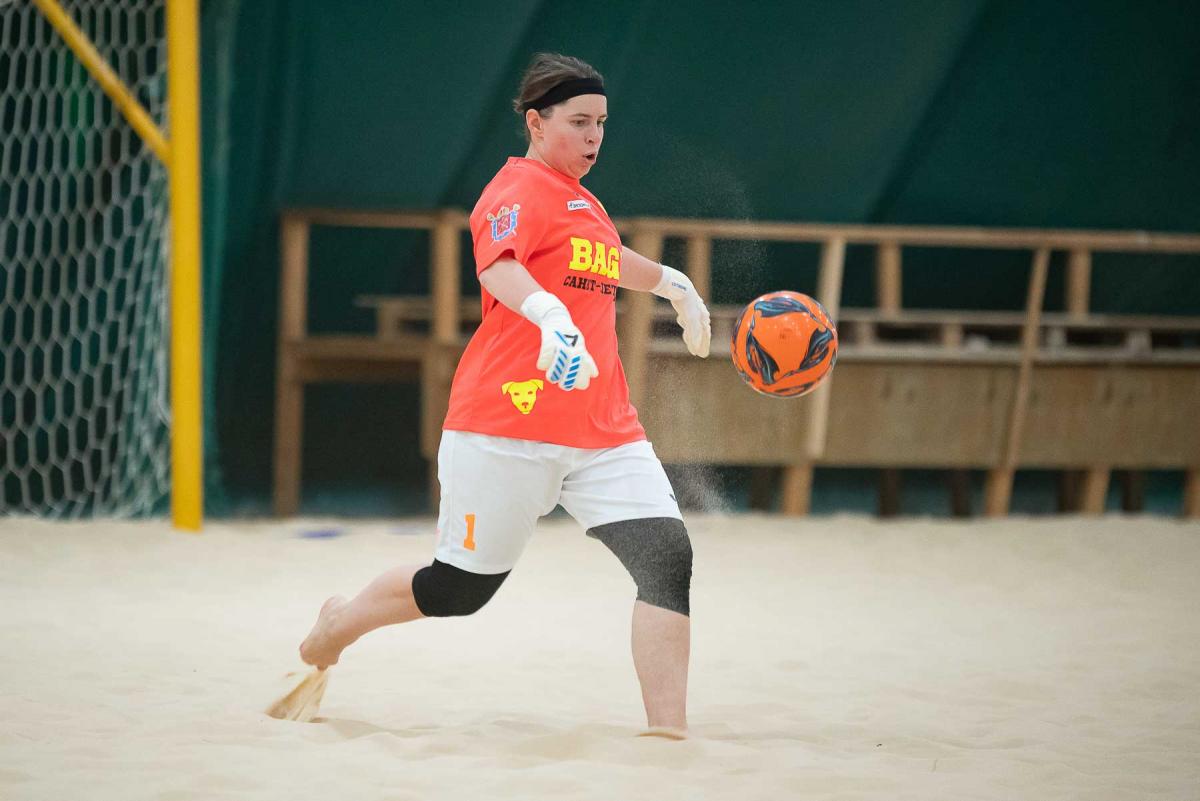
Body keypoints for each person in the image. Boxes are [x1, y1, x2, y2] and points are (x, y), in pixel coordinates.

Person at [299, 52, 711, 734]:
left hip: (603, 429)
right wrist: (548, 313)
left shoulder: (583, 201)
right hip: (504, 426)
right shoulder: (514, 189)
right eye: (579, 122)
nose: (594, 137)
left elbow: (603, 258)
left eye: (602, 123)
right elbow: (499, 267)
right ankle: (338, 623)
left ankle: (668, 734)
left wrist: (671, 282)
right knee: (457, 590)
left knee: (667, 559)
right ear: (536, 122)